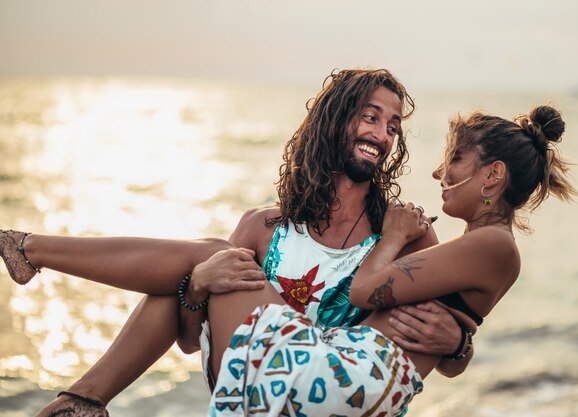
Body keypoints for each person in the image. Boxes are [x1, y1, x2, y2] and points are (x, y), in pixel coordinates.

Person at [0, 69, 465, 416]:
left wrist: (458, 345)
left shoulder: (404, 234)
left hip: (329, 401)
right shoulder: (264, 228)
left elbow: (440, 358)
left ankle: (36, 267)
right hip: (245, 390)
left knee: (205, 252)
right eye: (371, 117)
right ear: (334, 120)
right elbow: (186, 340)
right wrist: (198, 287)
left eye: (392, 127)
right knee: (201, 262)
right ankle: (79, 398)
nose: (382, 134)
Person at [190, 103, 577, 415]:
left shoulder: (491, 244)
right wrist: (459, 344)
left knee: (213, 254)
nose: (439, 172)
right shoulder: (479, 245)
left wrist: (392, 236)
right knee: (204, 262)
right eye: (370, 117)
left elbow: (364, 291)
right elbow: (441, 328)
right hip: (344, 379)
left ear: (492, 175)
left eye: (456, 158)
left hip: (347, 378)